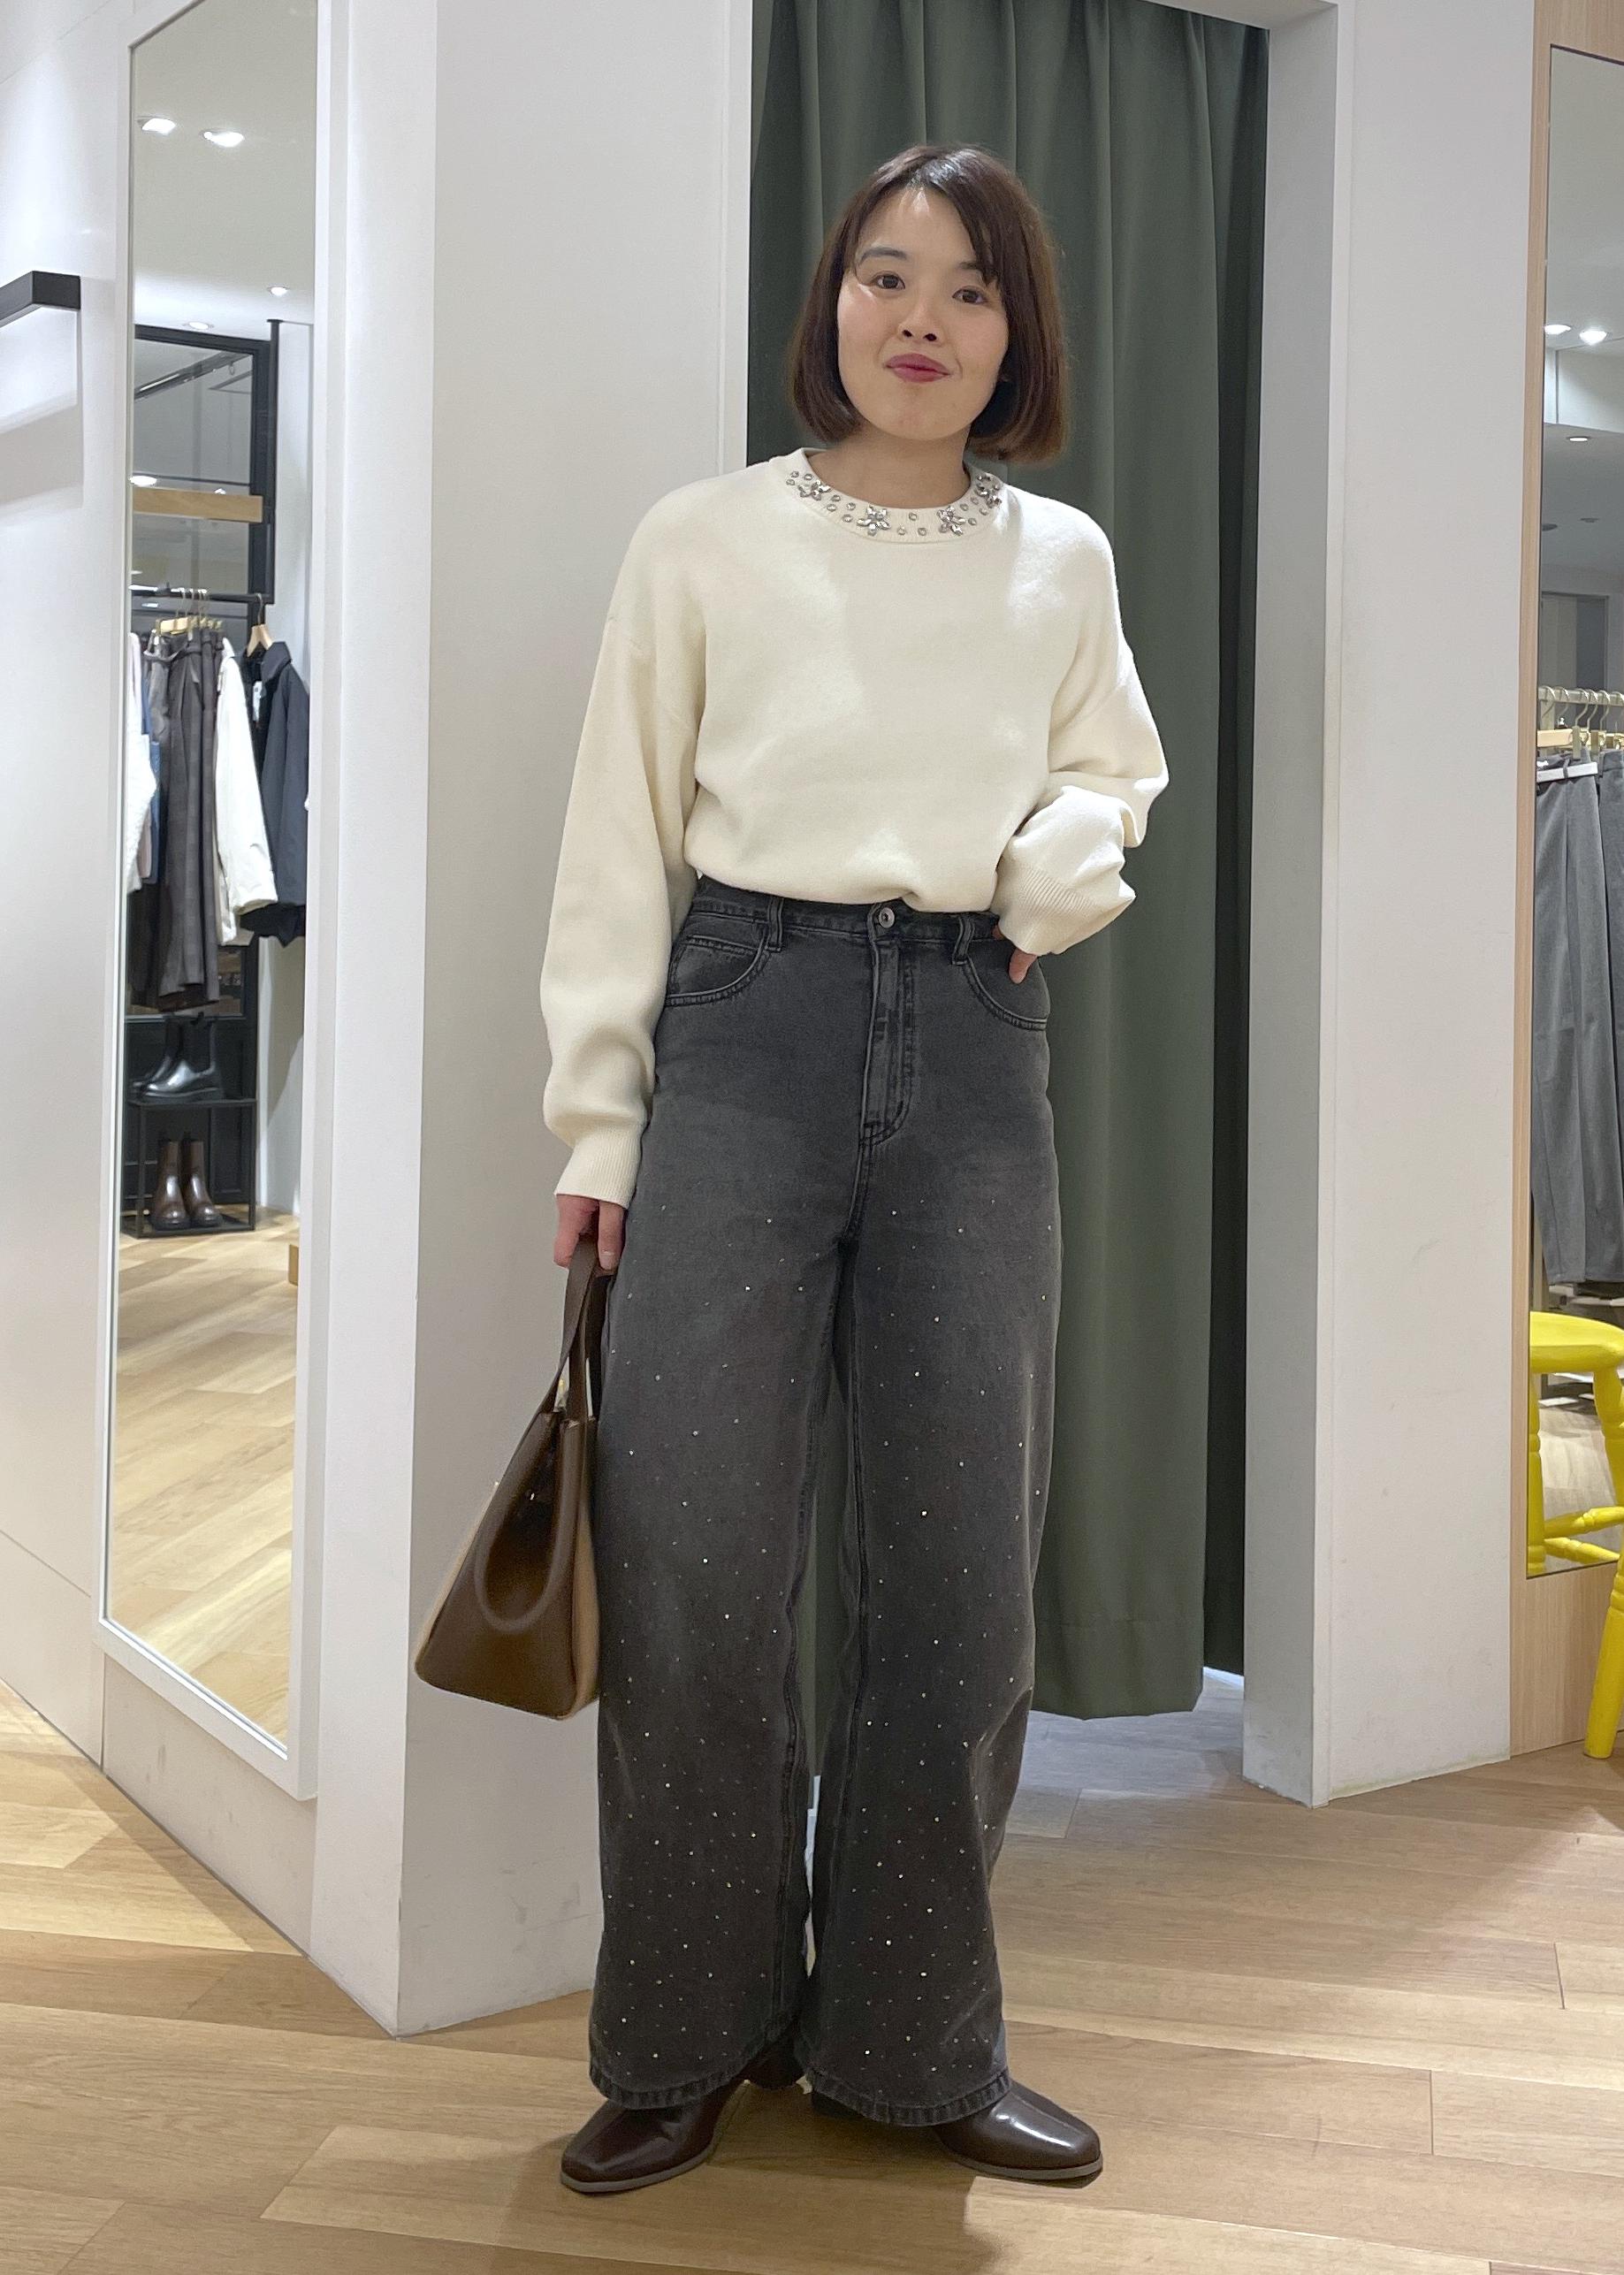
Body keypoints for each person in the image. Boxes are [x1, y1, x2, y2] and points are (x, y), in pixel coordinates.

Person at [539, 141, 1169, 2195]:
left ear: (1016, 334)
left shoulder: (1058, 559)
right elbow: (619, 831)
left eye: (970, 287)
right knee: (698, 1573)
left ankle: (910, 2045)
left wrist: (1048, 871)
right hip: (739, 1034)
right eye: (886, 273)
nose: (922, 317)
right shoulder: (703, 539)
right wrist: (599, 1117)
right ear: (828, 302)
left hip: (973, 1049)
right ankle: (685, 2034)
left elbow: (1112, 776)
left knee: (962, 1582)